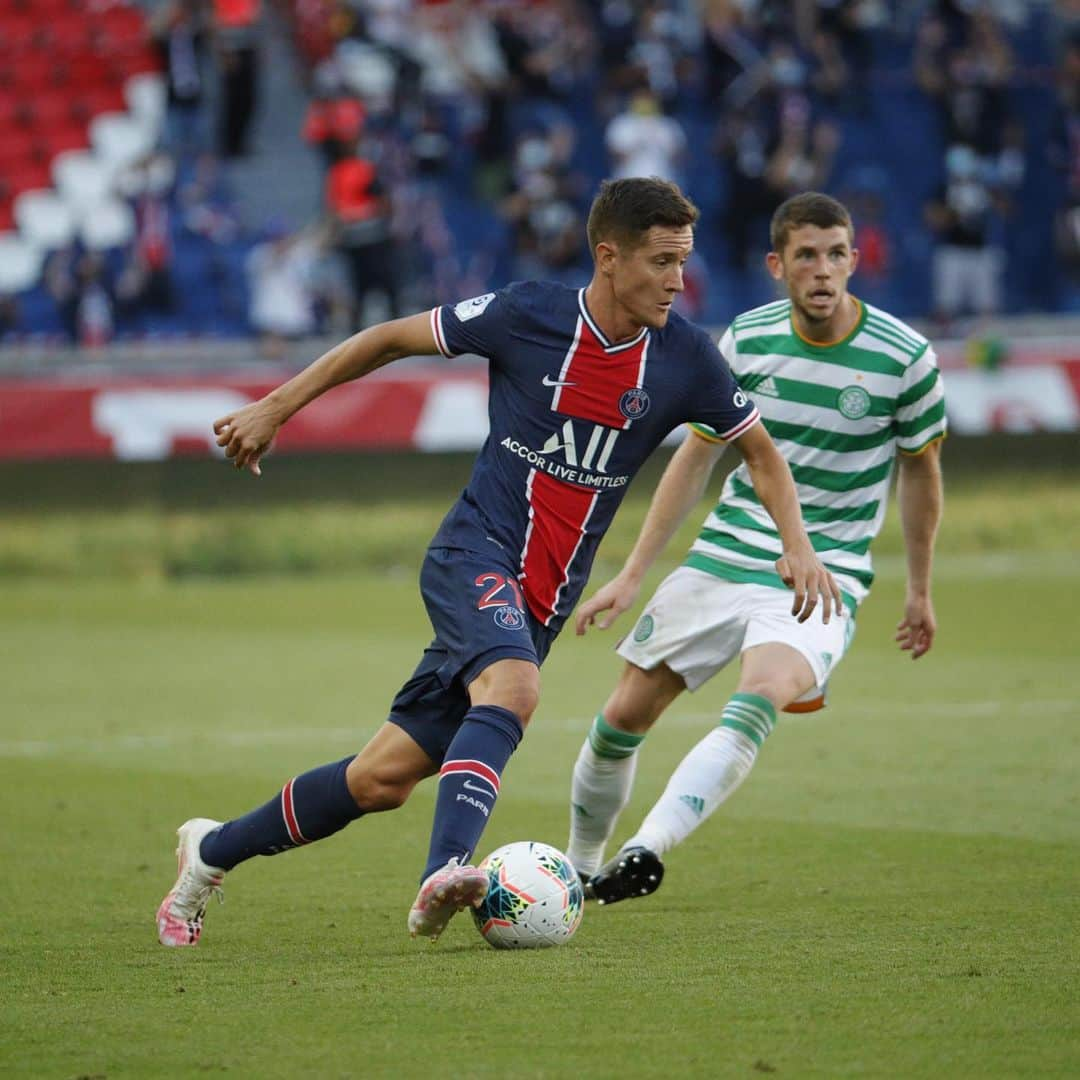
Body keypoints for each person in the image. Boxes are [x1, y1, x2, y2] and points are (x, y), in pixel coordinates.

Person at [155, 177, 840, 949]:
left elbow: (760, 453)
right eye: (661, 261)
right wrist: (274, 407)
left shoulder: (685, 359)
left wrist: (799, 543)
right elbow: (384, 338)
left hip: (542, 603)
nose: (679, 280)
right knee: (514, 690)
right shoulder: (528, 314)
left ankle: (209, 852)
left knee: (380, 780)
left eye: (684, 261)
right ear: (608, 258)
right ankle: (443, 872)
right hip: (471, 552)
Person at [565, 191, 945, 905]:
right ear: (778, 265)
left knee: (761, 695)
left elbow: (921, 472)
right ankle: (579, 871)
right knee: (622, 719)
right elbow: (695, 460)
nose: (823, 270)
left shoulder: (906, 359)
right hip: (723, 556)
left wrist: (918, 589)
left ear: (855, 261)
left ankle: (648, 848)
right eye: (807, 255)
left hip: (823, 573)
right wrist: (632, 574)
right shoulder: (745, 341)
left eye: (837, 254)